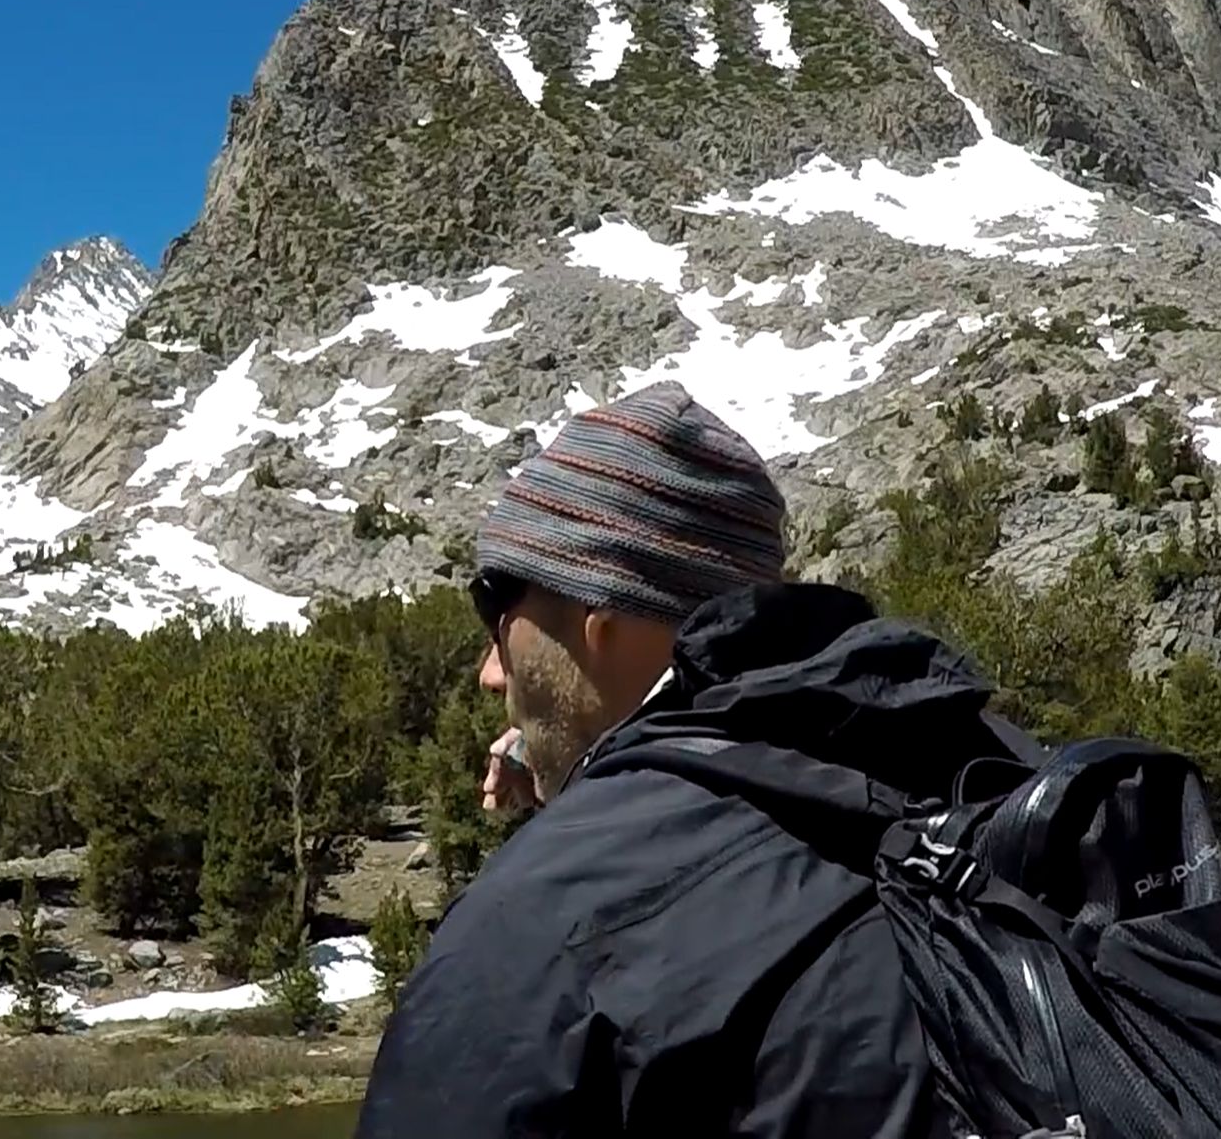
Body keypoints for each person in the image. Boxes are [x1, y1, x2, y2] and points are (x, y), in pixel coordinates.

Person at [357, 381, 1033, 1138]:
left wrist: (573, 834)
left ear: (600, 622)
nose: (489, 669)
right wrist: (583, 777)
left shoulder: (542, 920)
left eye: (497, 608)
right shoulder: (976, 764)